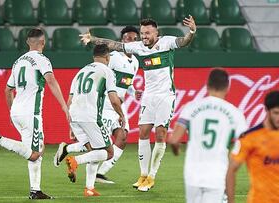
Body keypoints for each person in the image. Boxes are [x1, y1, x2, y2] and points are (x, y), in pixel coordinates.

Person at [80, 16, 196, 192]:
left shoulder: (167, 42)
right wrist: (92, 39)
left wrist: (192, 31)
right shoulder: (139, 47)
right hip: (149, 96)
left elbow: (184, 41)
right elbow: (114, 45)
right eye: (142, 33)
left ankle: (152, 176)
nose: (144, 36)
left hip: (165, 96)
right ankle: (142, 175)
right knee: (143, 133)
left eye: (147, 33)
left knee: (160, 134)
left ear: (156, 32)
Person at [0, 28, 69, 199]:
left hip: (17, 111)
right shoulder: (42, 60)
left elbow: (7, 90)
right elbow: (51, 80)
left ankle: (35, 190)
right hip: (31, 113)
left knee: (33, 152)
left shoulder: (18, 61)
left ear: (28, 42)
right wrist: (64, 105)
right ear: (43, 42)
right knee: (36, 152)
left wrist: (12, 111)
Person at [53, 26, 142, 184]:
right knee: (99, 145)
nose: (131, 41)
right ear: (122, 40)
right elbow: (100, 76)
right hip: (106, 104)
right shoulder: (113, 57)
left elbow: (126, 82)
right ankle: (73, 154)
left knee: (121, 137)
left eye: (135, 39)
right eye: (128, 38)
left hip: (118, 106)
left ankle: (99, 172)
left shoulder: (135, 61)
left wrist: (133, 91)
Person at [168, 68, 248, 203]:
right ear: (228, 87)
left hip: (192, 173)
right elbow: (244, 143)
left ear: (207, 85)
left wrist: (176, 150)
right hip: (217, 174)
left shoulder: (191, 107)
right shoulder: (235, 113)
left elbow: (174, 140)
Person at [63, 44, 126, 196]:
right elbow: (114, 99)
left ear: (93, 56)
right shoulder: (107, 71)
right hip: (91, 117)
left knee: (95, 151)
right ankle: (76, 161)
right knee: (109, 152)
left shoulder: (80, 72)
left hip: (74, 115)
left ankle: (89, 188)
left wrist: (70, 125)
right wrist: (121, 115)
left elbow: (69, 100)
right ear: (107, 57)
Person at [226, 90, 279, 203]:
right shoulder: (249, 137)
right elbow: (231, 170)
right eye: (276, 113)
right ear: (266, 111)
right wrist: (230, 201)